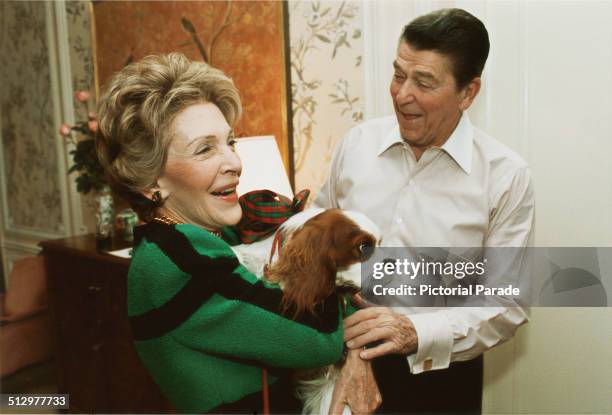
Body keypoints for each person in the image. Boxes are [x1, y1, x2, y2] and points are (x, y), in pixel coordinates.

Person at [95, 53, 378, 414]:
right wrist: (323, 257)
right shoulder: (180, 259)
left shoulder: (208, 238)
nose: (234, 162)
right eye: (204, 149)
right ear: (151, 180)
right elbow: (318, 337)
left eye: (231, 142)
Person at [316, 8, 535, 414]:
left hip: (439, 380)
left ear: (468, 93)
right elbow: (316, 242)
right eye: (399, 74)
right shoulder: (356, 144)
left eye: (424, 82)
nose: (402, 94)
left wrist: (415, 331)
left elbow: (507, 302)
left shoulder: (505, 176)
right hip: (334, 361)